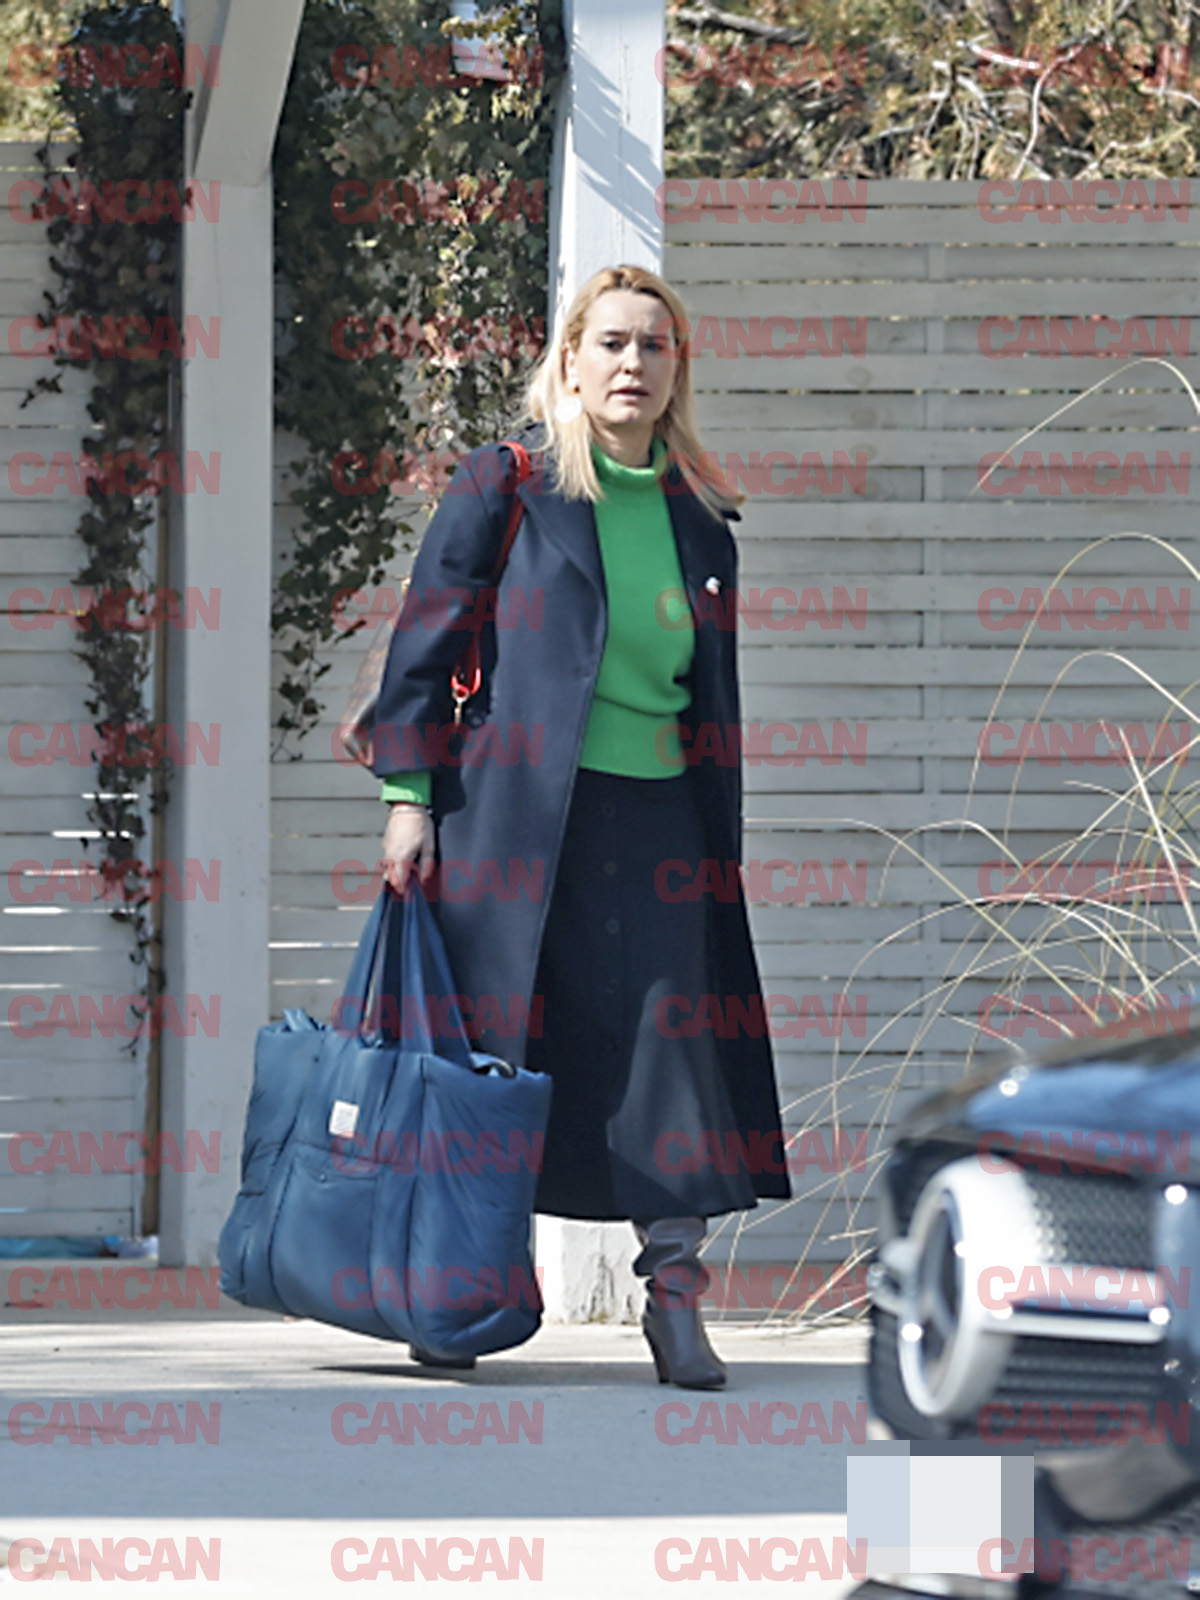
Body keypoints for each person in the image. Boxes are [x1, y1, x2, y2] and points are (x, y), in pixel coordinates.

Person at [372, 263, 791, 1389]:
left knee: (672, 1054)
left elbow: (705, 693)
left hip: (661, 822)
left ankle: (676, 1301)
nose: (632, 364)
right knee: (495, 1053)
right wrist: (407, 799)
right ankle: (458, 1290)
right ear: (569, 360)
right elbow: (423, 643)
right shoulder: (506, 485)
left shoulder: (701, 518)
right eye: (611, 343)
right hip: (511, 820)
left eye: (654, 346)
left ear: (677, 370)